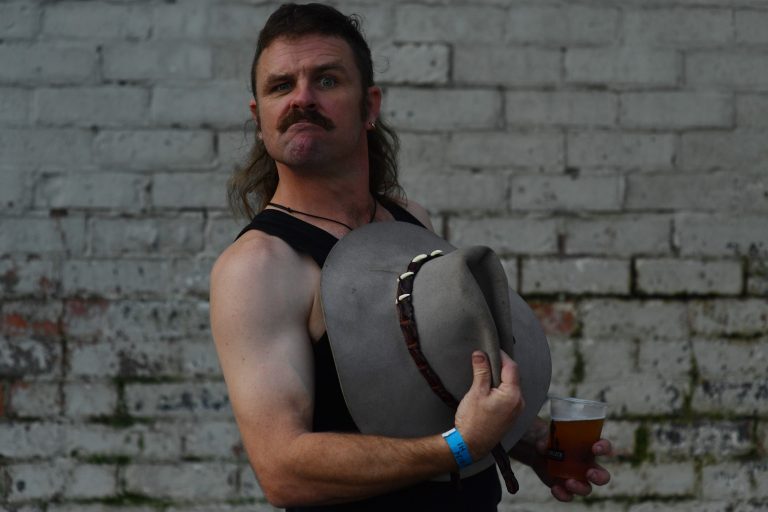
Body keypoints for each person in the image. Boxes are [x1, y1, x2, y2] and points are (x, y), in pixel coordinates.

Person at [209, 3, 612, 511]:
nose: (302, 99)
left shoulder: (408, 220)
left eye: (327, 81)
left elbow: (439, 385)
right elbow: (283, 471)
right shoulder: (258, 266)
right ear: (259, 118)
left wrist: (528, 440)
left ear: (370, 106)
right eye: (281, 86)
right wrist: (461, 446)